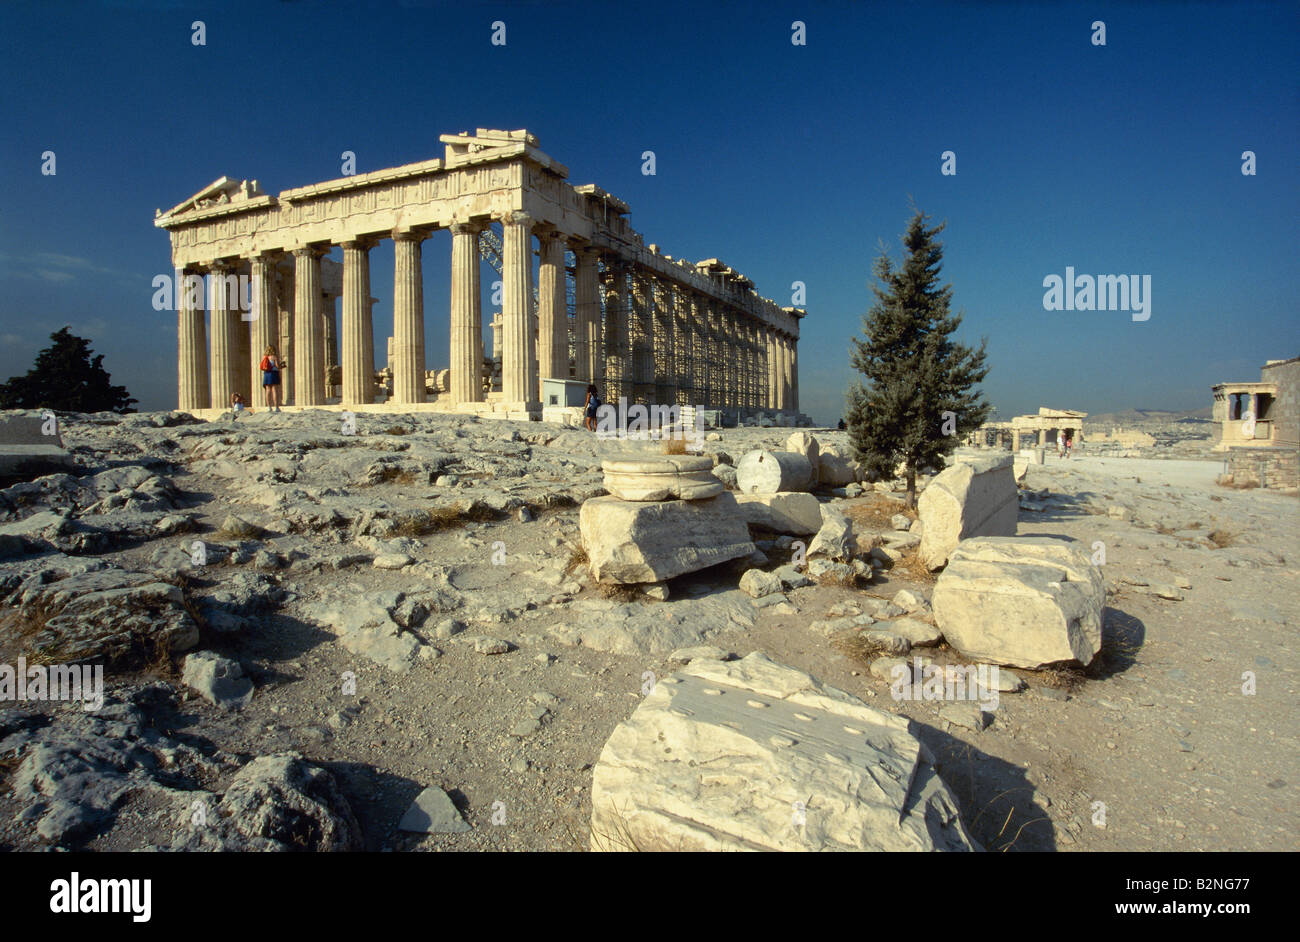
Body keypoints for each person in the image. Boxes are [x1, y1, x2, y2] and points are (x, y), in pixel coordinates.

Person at [260, 345, 283, 412]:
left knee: (267, 390)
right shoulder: (274, 357)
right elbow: (277, 366)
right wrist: (281, 366)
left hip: (267, 373)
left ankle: (269, 407)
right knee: (274, 390)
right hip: (273, 373)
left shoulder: (265, 357)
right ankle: (276, 407)